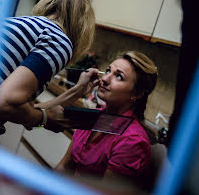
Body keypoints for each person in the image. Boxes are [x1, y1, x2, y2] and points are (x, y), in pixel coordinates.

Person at [0, 0, 96, 144]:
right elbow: (4, 104)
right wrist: (45, 120)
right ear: (84, 24)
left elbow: (25, 111)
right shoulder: (58, 40)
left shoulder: (25, 25)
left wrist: (77, 91)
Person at [55, 51, 158, 188]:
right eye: (108, 70)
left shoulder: (132, 141)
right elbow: (64, 167)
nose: (105, 79)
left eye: (119, 77)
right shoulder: (92, 117)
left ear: (137, 94)